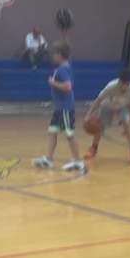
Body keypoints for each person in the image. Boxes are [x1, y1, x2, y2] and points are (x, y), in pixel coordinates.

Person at [32, 41, 86, 172]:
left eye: (55, 53)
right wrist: (65, 36)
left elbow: (68, 86)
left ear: (60, 54)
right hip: (59, 107)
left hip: (65, 107)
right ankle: (49, 159)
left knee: (69, 134)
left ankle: (78, 161)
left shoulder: (63, 69)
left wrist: (53, 83)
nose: (53, 56)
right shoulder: (67, 64)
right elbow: (67, 49)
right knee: (52, 131)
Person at [84, 68, 130, 165]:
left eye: (127, 84)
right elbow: (97, 101)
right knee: (99, 125)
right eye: (122, 83)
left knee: (127, 124)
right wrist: (88, 115)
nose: (124, 86)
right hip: (107, 105)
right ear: (119, 80)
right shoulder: (110, 86)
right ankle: (94, 148)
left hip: (122, 107)